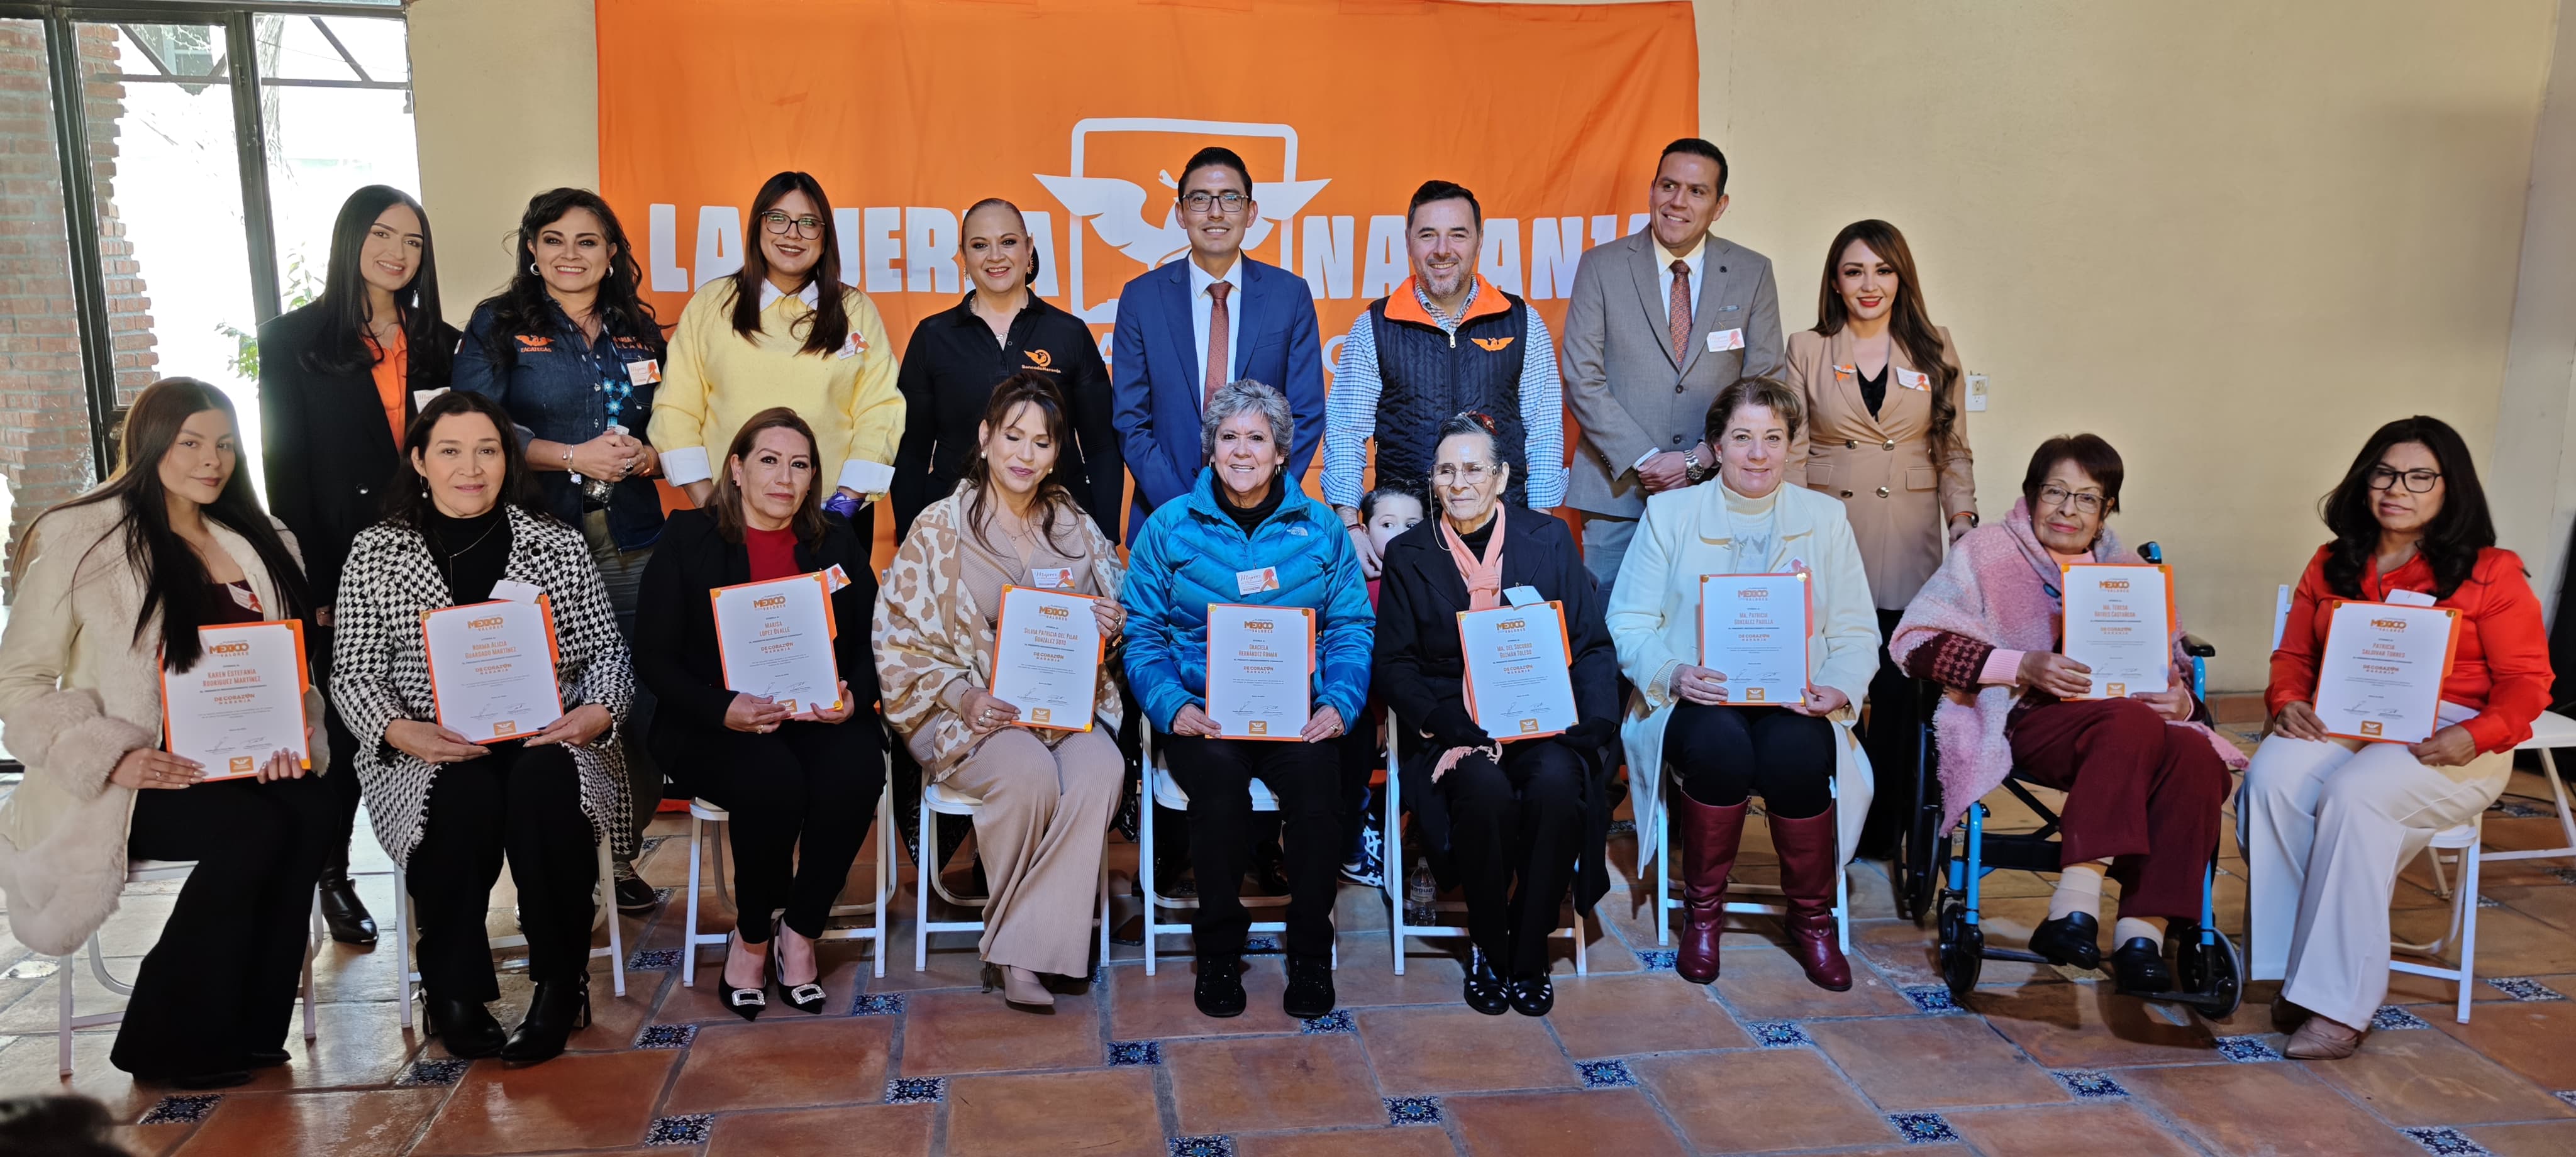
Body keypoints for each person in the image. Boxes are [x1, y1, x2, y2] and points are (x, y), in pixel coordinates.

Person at [0, 379, 331, 1088]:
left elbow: (291, 671)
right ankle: (162, 1037)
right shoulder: (79, 537)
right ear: (150, 445)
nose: (211, 460)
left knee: (311, 811)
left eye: (224, 445)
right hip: (130, 781)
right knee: (250, 831)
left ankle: (249, 1029)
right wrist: (110, 756)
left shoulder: (264, 541)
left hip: (244, 763)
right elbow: (18, 685)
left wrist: (294, 731)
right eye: (190, 443)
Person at [330, 390, 633, 1065]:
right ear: (418, 461)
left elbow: (608, 654)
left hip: (548, 735)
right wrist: (402, 732)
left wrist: (599, 711)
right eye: (450, 450)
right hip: (427, 747)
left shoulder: (553, 543)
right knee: (459, 798)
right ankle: (453, 991)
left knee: (544, 788)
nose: (471, 467)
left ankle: (561, 982)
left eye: (488, 450)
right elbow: (351, 673)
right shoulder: (377, 551)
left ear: (508, 460)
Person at [2243, 416, 2550, 1060]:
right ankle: (2298, 968)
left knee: (2357, 797)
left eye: (2419, 476)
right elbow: (2293, 654)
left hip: (2453, 735)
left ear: (2450, 488)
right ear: (2364, 480)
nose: (2396, 488)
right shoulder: (2333, 562)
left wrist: (2478, 734)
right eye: (2384, 472)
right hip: (2346, 714)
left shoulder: (2492, 572)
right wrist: (2288, 699)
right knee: (2271, 777)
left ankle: (2337, 1003)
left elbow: (2527, 682)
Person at [1890, 435, 2242, 992]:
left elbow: (2171, 663)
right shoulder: (1985, 552)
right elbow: (1914, 642)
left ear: (2106, 510)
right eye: (2055, 492)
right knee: (2130, 723)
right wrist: (2020, 664)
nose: (2068, 510)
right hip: (2029, 720)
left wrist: (2184, 702)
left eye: (2087, 497)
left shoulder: (2129, 571)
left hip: (2132, 727)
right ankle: (2073, 908)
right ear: (2030, 496)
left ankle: (2140, 935)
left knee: (2195, 753)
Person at [1606, 378, 1874, 990]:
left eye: (1773, 439)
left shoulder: (1825, 518)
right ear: (1716, 446)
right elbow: (1628, 619)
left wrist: (1836, 685)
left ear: (1789, 447)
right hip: (1696, 699)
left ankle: (1812, 921)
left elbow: (1857, 630)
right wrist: (1673, 672)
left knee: (1800, 749)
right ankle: (1703, 916)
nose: (1758, 454)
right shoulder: (1670, 513)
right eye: (1743, 438)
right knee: (1720, 746)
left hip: (1794, 699)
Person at [1123, 379, 1371, 1021]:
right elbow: (1141, 631)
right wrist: (1171, 704)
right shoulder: (1168, 527)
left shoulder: (1320, 528)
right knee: (1220, 794)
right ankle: (1218, 949)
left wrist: (1339, 702)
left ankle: (1311, 952)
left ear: (1282, 453)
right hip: (1205, 713)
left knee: (1322, 790)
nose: (1241, 451)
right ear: (1209, 449)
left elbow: (1350, 625)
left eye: (1256, 438)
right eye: (1228, 437)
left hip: (1299, 712)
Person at [877, 374, 1127, 1010]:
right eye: (1012, 437)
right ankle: (1021, 959)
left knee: (1102, 769)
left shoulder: (1073, 521)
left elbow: (1119, 612)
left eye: (1041, 442)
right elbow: (897, 637)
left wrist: (1111, 624)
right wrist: (964, 696)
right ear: (985, 438)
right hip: (969, 710)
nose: (1025, 454)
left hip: (1061, 709)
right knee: (1026, 775)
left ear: (1056, 451)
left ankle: (1027, 941)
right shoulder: (939, 527)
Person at [453, 187, 667, 915]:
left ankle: (623, 849)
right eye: (554, 240)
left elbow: (677, 429)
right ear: (532, 249)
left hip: (635, 539)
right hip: (541, 546)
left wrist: (648, 459)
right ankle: (562, 858)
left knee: (634, 700)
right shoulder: (501, 324)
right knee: (552, 700)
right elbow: (476, 429)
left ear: (613, 253)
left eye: (587, 241)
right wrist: (573, 455)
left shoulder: (641, 330)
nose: (570, 255)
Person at [635, 407, 882, 1020]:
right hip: (713, 722)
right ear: (738, 470)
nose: (785, 477)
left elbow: (874, 640)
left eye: (800, 464)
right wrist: (726, 709)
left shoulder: (837, 541)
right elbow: (654, 657)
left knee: (857, 770)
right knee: (771, 778)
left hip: (816, 714)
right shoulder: (687, 537)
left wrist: (856, 696)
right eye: (769, 461)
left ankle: (801, 928)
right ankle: (751, 935)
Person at [258, 184, 457, 946]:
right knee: (345, 726)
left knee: (431, 710)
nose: (397, 253)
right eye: (382, 235)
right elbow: (288, 473)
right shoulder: (292, 341)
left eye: (412, 241)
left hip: (430, 557)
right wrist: (312, 588)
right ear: (351, 240)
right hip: (340, 562)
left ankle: (441, 863)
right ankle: (333, 872)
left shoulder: (440, 340)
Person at [1372, 413, 1618, 1016]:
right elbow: (1395, 664)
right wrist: (1440, 719)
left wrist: (1596, 720)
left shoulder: (1549, 539)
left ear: (1502, 476)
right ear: (1432, 480)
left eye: (1474, 469)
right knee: (1483, 792)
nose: (1460, 483)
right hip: (1458, 729)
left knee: (1559, 786)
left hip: (1542, 718)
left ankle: (1528, 947)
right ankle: (1488, 945)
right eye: (1446, 470)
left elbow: (1589, 646)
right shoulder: (1410, 554)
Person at [1785, 219, 1978, 859]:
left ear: (1901, 277)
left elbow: (1952, 450)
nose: (1869, 285)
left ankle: (1884, 826)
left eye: (1882, 270)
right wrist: (1788, 532)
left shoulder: (1934, 348)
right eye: (1854, 271)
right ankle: (1822, 812)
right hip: (1831, 533)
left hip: (1909, 537)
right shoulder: (1807, 347)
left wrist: (1964, 524)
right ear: (1835, 283)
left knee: (1899, 690)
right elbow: (1792, 450)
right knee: (1831, 678)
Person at [1562, 138, 1785, 597]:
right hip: (1616, 492)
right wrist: (1648, 462)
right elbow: (1582, 378)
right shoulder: (1600, 266)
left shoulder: (1752, 272)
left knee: (1704, 633)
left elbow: (1763, 385)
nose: (1678, 202)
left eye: (1697, 191)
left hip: (1716, 490)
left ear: (1720, 205)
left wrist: (1699, 458)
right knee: (1612, 634)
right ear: (1652, 190)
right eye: (1668, 185)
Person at [1324, 181, 1565, 576]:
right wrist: (1351, 525)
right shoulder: (1375, 325)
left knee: (1504, 638)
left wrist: (1537, 523)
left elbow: (1544, 432)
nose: (1442, 250)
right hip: (1410, 534)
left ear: (1479, 240)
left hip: (1505, 532)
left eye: (1458, 234)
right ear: (1408, 242)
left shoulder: (1522, 321)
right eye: (1427, 235)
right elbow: (1346, 432)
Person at [649, 171, 904, 521]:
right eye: (778, 219)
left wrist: (847, 502)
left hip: (830, 513)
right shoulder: (712, 304)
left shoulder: (855, 309)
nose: (793, 235)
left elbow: (881, 408)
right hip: (730, 516)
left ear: (825, 234)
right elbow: (676, 408)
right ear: (758, 226)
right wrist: (708, 502)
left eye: (808, 223)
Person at [1110, 147, 1324, 541]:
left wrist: (1262, 499)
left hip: (1264, 524)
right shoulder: (1141, 299)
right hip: (1167, 517)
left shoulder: (1288, 295)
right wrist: (1185, 507)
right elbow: (1130, 420)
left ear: (1251, 211)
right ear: (1180, 213)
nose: (1215, 212)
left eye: (1230, 198)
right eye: (1199, 199)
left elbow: (1306, 414)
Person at [892, 198, 1120, 543]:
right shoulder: (932, 337)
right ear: (964, 257)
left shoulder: (1069, 334)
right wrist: (914, 539)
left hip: (1059, 529)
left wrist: (1104, 539)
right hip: (955, 529)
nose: (995, 256)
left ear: (1029, 249)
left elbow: (1101, 445)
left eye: (1009, 242)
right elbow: (911, 452)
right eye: (980, 245)